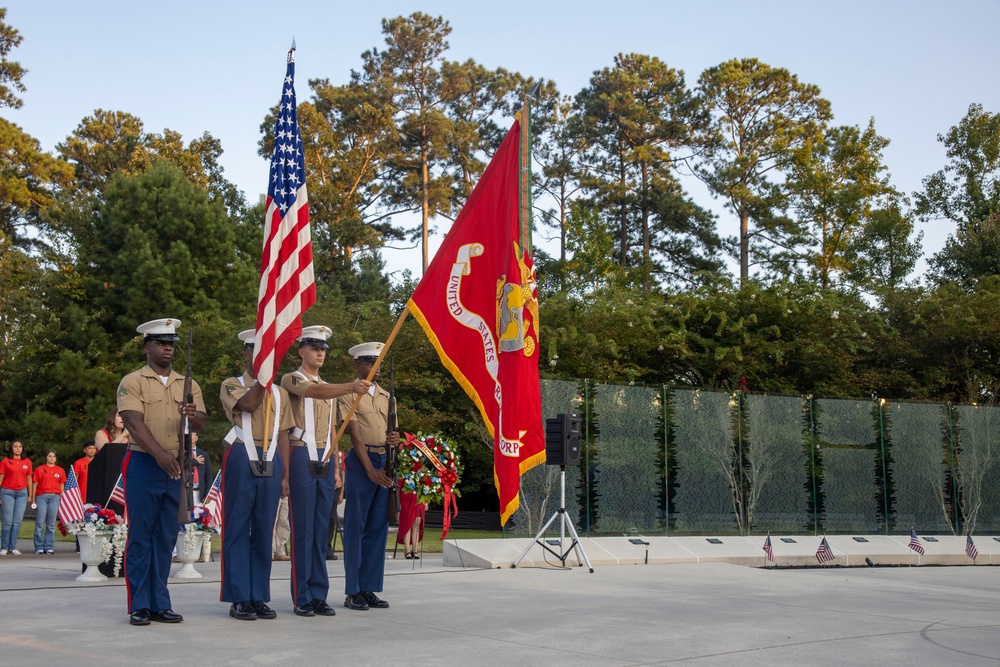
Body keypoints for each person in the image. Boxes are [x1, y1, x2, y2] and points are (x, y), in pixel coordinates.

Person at [117, 318, 206, 626]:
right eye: (161, 343)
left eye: (171, 343)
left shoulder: (188, 383)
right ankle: (139, 604)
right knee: (141, 536)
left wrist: (192, 416)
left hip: (176, 465)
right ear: (147, 347)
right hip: (145, 463)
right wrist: (159, 454)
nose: (168, 348)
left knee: (165, 537)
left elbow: (201, 423)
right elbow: (132, 420)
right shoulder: (133, 381)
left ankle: (159, 601)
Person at [280, 325, 370, 618]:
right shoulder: (291, 378)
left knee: (322, 530)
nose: (320, 352)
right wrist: (351, 386)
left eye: (323, 349)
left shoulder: (331, 387)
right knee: (304, 529)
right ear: (301, 350)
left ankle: (319, 594)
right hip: (300, 452)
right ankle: (302, 596)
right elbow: (314, 392)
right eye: (314, 347)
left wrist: (338, 469)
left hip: (325, 456)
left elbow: (333, 429)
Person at [219, 329, 293, 621]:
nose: (261, 358)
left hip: (272, 457)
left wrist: (285, 475)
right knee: (238, 527)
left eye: (266, 354)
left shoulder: (280, 392)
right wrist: (263, 380)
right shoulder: (232, 384)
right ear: (246, 354)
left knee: (265, 529)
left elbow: (284, 433)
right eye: (255, 352)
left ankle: (259, 594)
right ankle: (239, 597)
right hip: (242, 454)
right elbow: (248, 405)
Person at [339, 341, 398, 611]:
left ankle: (369, 588)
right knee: (355, 528)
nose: (374, 367)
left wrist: (394, 440)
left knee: (377, 529)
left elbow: (390, 432)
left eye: (378, 363)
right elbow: (354, 433)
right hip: (362, 462)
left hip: (384, 461)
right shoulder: (349, 394)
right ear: (358, 365)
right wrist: (369, 469)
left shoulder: (388, 397)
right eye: (369, 362)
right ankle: (353, 591)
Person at [29, 450, 65, 555]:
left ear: (56, 458)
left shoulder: (60, 470)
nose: (52, 458)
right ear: (46, 457)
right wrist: (33, 499)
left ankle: (49, 546)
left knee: (51, 523)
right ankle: (39, 546)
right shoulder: (40, 469)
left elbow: (61, 485)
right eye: (50, 456)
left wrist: (61, 497)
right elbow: (35, 484)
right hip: (42, 496)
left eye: (54, 456)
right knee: (40, 523)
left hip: (54, 496)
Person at [0, 440, 32, 555]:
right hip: (7, 492)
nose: (18, 448)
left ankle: (13, 547)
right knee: (7, 521)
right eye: (15, 446)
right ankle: (4, 547)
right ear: (11, 448)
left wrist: (30, 495)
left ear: (22, 448)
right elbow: (1, 478)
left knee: (17, 522)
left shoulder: (27, 462)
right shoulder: (5, 461)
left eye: (20, 446)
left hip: (22, 493)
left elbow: (29, 479)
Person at [397, 482, 426, 559]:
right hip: (406, 500)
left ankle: (415, 550)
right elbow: (399, 486)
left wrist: (426, 501)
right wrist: (398, 502)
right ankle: (407, 551)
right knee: (407, 525)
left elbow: (426, 486)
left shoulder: (423, 471)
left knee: (416, 525)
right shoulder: (405, 470)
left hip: (419, 499)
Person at [272, 496, 290, 561]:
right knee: (273, 519)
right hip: (274, 488)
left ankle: (279, 550)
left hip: (286, 491)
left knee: (284, 520)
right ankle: (271, 550)